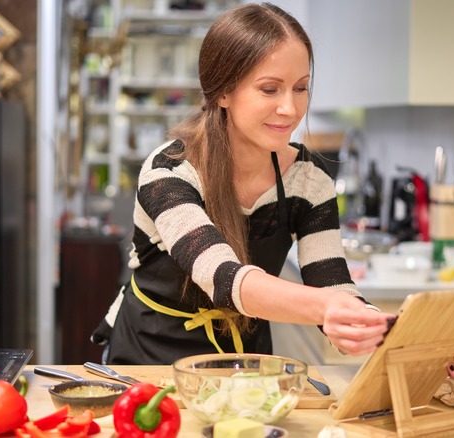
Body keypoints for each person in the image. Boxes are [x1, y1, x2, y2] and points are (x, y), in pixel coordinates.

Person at [91, 2, 396, 365]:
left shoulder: (308, 180)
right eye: (270, 89)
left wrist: (396, 335)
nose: (290, 108)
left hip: (244, 361)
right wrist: (326, 308)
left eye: (300, 88)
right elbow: (223, 276)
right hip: (150, 358)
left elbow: (332, 284)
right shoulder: (168, 173)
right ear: (223, 92)